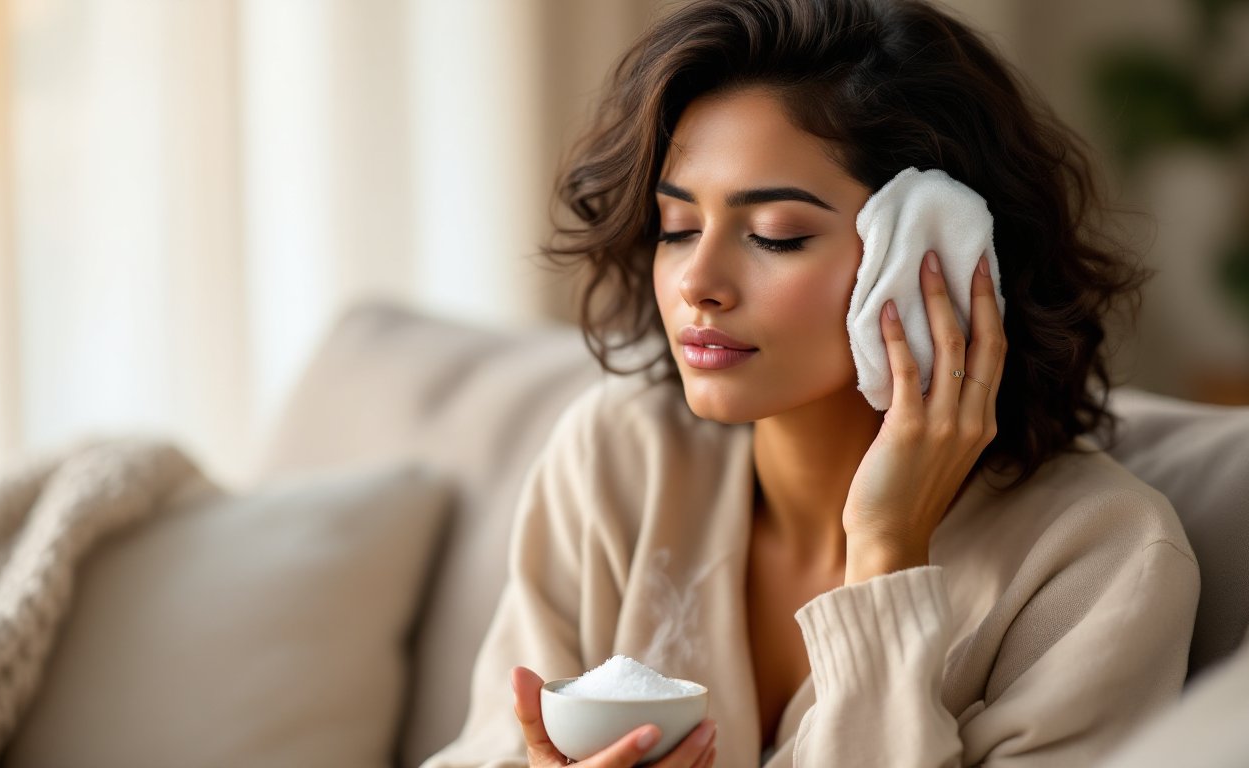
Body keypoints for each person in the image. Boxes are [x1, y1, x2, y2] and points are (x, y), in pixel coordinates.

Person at [422, 0, 1198, 766]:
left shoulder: (1103, 561)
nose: (698, 281)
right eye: (677, 229)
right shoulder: (619, 455)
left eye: (775, 236)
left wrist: (887, 553)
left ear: (940, 252)